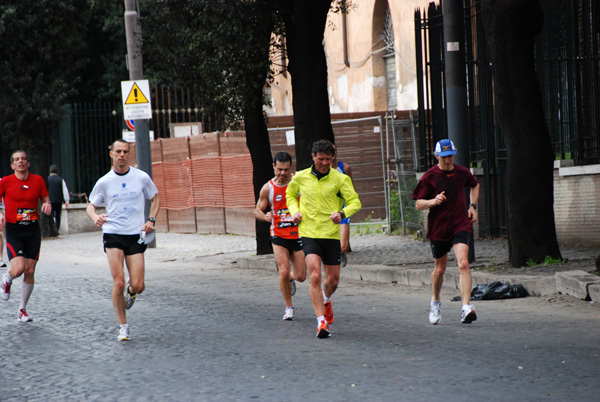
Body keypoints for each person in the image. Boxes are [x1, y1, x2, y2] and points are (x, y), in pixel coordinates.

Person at [286, 139, 361, 338]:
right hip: (309, 233)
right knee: (315, 275)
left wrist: (342, 213)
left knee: (333, 281)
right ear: (313, 157)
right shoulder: (300, 177)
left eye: (329, 159)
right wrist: (294, 212)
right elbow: (290, 195)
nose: (325, 162)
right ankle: (321, 323)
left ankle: (326, 299)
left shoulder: (339, 179)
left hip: (330, 234)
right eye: (321, 159)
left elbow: (355, 201)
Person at [86, 139, 160, 341]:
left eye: (125, 152)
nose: (121, 155)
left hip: (135, 235)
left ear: (129, 154)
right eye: (118, 151)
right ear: (111, 154)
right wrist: (96, 218)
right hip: (113, 234)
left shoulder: (141, 177)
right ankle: (123, 327)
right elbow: (90, 206)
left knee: (139, 285)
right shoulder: (104, 181)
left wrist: (151, 219)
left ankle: (131, 290)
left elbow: (155, 198)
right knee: (117, 283)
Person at [412, 139, 480, 325]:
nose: (447, 160)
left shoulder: (462, 172)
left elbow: (474, 185)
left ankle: (466, 307)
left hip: (460, 223)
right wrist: (433, 201)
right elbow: (418, 203)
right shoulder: (430, 176)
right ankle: (435, 301)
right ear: (437, 157)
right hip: (439, 227)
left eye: (450, 156)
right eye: (443, 157)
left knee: (464, 263)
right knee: (440, 270)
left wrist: (472, 206)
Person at [0, 150, 53, 322]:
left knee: (30, 271)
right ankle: (7, 278)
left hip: (32, 230)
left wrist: (47, 205)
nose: (21, 161)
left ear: (28, 163)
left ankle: (22, 310)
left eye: (23, 159)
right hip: (14, 230)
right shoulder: (6, 182)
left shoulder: (38, 180)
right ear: (12, 165)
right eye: (17, 159)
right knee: (19, 268)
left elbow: (46, 199)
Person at [255, 152, 307, 321]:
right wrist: (265, 217)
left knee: (300, 276)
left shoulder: (299, 183)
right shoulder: (268, 188)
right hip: (278, 234)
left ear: (291, 167)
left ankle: (290, 278)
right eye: (279, 169)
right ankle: (289, 307)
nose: (282, 173)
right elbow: (257, 211)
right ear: (273, 167)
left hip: (297, 234)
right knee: (283, 271)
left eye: (286, 169)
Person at [332, 146, 353, 267]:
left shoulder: (345, 168)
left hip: (342, 209)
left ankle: (340, 252)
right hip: (327, 209)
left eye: (334, 152)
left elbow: (351, 189)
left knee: (344, 246)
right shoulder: (321, 170)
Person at [48, 164, 70, 232]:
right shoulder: (60, 180)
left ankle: (50, 228)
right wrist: (67, 200)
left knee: (50, 215)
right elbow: (65, 190)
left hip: (49, 200)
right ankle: (57, 228)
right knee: (58, 215)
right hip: (58, 200)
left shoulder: (47, 179)